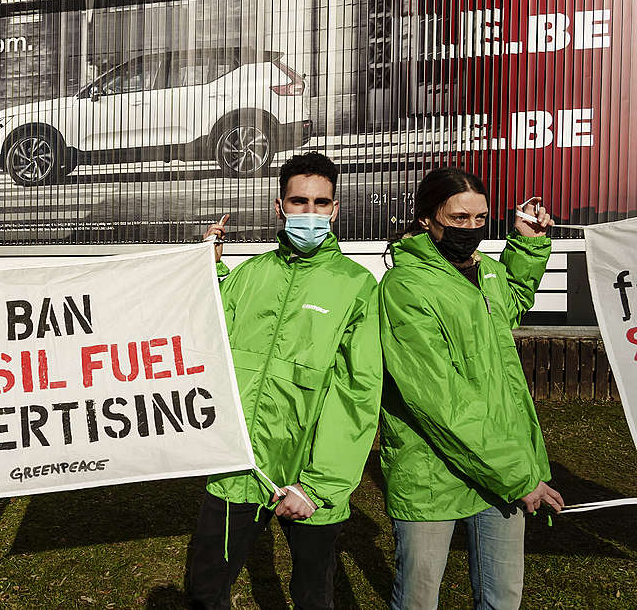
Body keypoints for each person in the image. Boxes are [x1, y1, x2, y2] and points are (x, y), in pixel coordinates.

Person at [188, 152, 383, 610]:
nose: (309, 213)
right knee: (204, 589)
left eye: (320, 203)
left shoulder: (356, 286)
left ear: (335, 209)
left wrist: (318, 487)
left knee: (313, 594)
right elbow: (208, 332)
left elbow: (357, 395)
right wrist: (208, 271)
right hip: (240, 470)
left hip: (310, 477)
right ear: (280, 206)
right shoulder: (251, 275)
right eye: (299, 202)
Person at [378, 167, 565, 610]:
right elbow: (439, 400)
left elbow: (510, 303)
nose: (471, 229)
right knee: (419, 599)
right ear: (427, 218)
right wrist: (517, 474)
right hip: (432, 469)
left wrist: (528, 243)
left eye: (480, 219)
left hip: (501, 464)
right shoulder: (406, 286)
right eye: (459, 218)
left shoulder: (488, 272)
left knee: (502, 598)